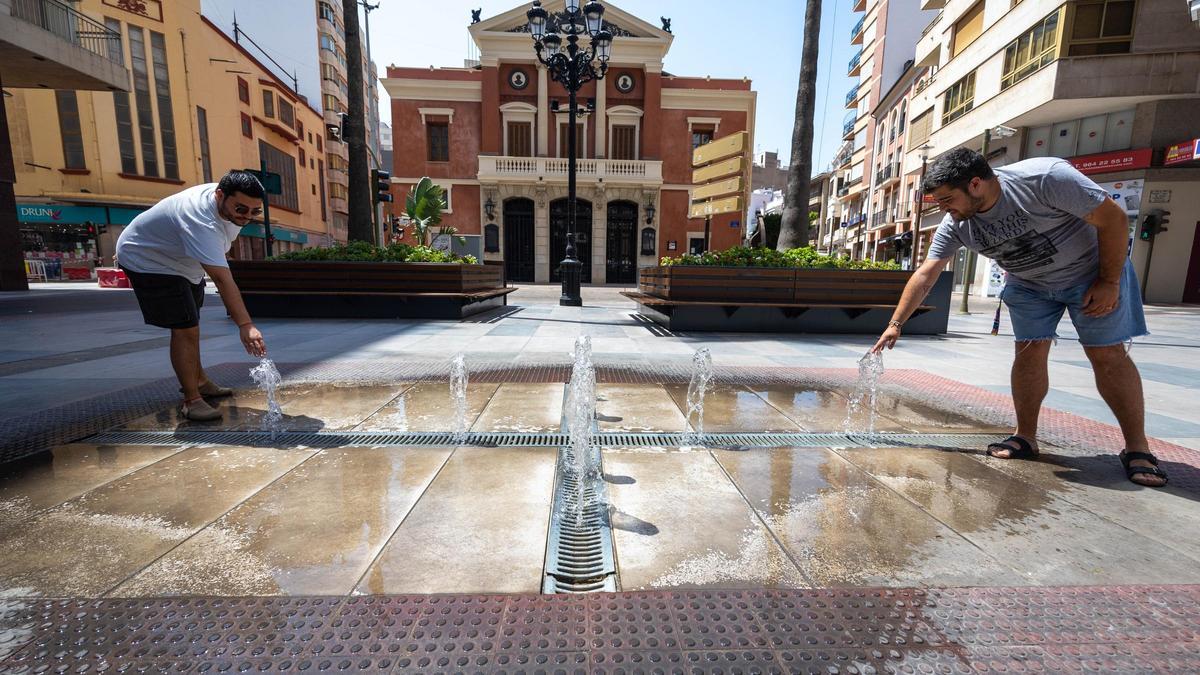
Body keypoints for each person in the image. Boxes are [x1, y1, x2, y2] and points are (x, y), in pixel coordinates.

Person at [872, 148, 1166, 488]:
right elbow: (927, 274)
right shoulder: (956, 223)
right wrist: (895, 324)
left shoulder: (1045, 178)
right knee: (1027, 354)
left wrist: (1109, 280)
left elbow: (1112, 218)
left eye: (947, 199)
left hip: (1092, 273)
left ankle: (1137, 448)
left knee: (1107, 356)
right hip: (1029, 284)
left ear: (976, 184)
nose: (944, 209)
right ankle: (1025, 437)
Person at [116, 170, 269, 422]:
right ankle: (192, 400)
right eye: (241, 209)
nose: (246, 217)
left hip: (183, 263)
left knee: (191, 322)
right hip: (149, 261)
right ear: (220, 195)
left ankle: (199, 381)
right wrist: (246, 325)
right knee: (185, 328)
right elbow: (221, 278)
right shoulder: (200, 219)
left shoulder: (228, 202)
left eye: (255, 212)